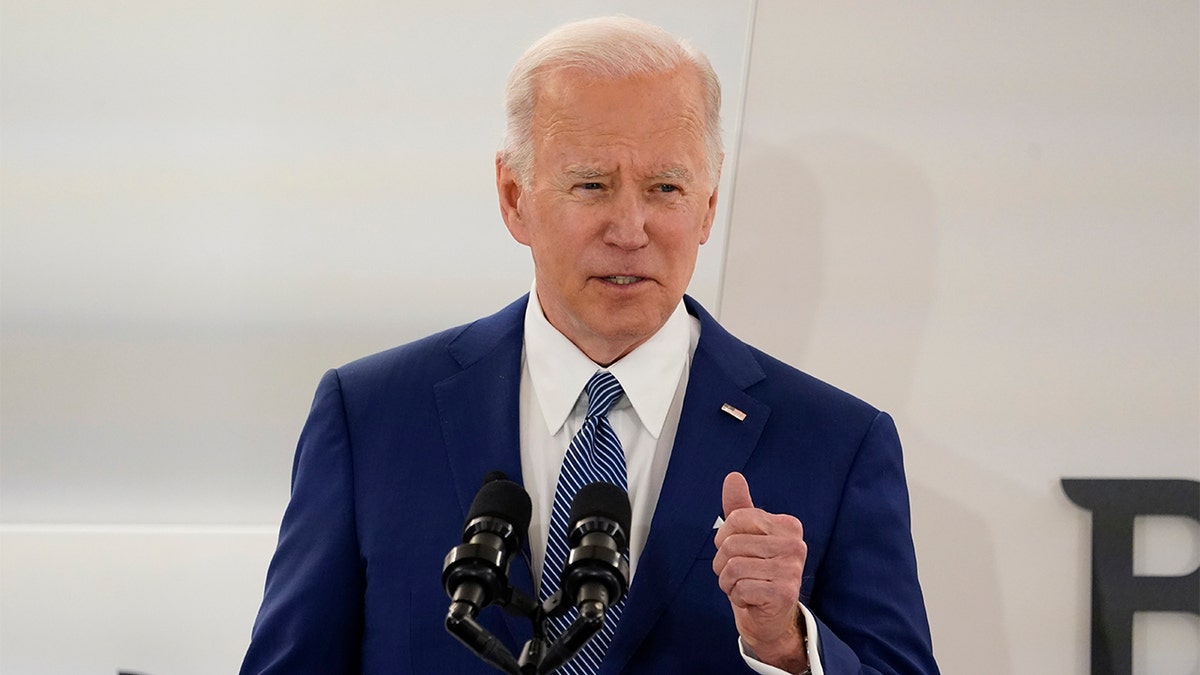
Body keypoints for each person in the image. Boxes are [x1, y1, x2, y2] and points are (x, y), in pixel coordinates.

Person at [241, 16, 939, 675]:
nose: (630, 228)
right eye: (592, 185)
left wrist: (788, 643)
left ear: (709, 205)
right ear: (514, 196)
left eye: (666, 186)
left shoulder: (836, 444)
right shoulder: (370, 418)